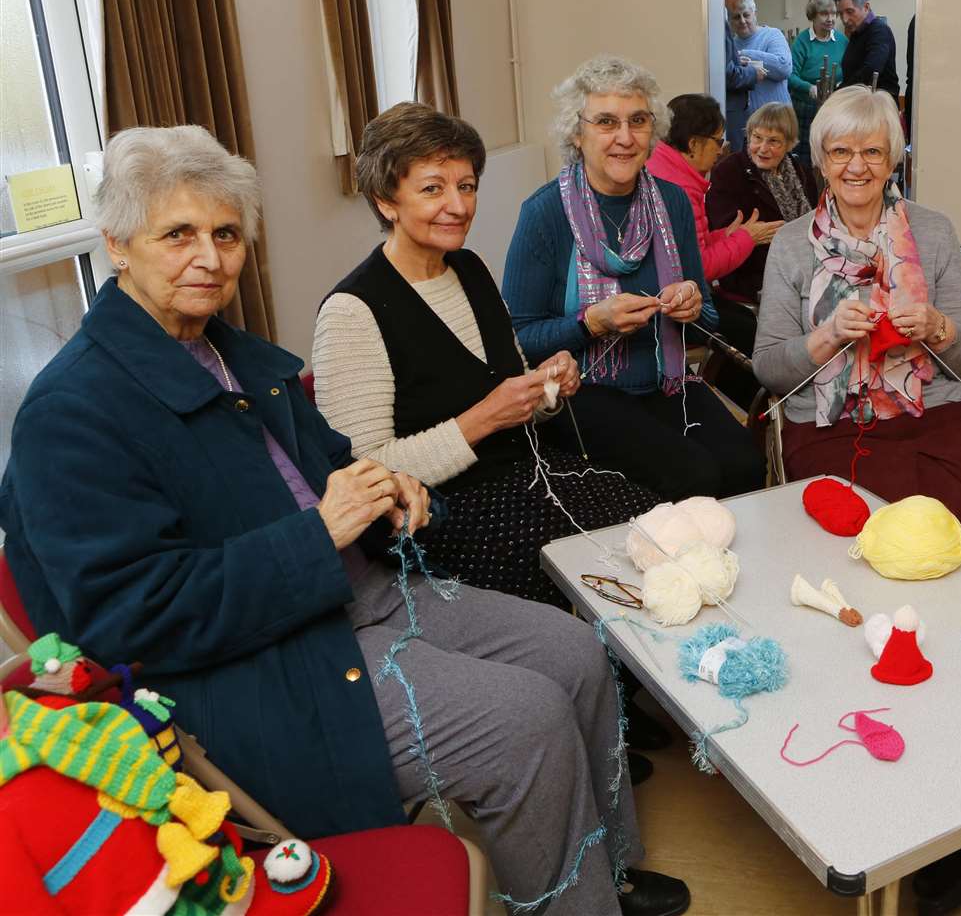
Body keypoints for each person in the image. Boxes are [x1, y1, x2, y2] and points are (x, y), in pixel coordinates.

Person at [0, 125, 690, 916]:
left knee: (574, 646)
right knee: (523, 720)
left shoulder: (229, 353)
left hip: (360, 593)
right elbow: (128, 618)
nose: (210, 257)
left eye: (225, 234)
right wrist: (319, 532)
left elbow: (332, 460)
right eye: (178, 233)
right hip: (258, 668)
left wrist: (387, 483)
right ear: (118, 245)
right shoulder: (72, 413)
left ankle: (609, 875)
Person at [314, 102, 661, 612]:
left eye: (467, 186)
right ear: (386, 200)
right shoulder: (352, 312)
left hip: (530, 476)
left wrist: (545, 387)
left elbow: (511, 383)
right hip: (450, 513)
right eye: (433, 188)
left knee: (653, 529)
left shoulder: (470, 269)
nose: (457, 205)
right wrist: (481, 420)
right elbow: (368, 473)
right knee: (584, 593)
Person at [753, 86, 961, 562]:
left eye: (872, 151)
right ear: (821, 160)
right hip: (831, 421)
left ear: (893, 158)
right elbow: (769, 369)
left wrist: (937, 326)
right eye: (841, 151)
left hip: (935, 411)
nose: (857, 166)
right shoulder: (791, 244)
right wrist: (829, 334)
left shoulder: (933, 230)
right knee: (863, 535)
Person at [503, 55, 766, 501]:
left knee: (745, 463)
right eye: (606, 122)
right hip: (582, 391)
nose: (624, 138)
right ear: (576, 132)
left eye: (638, 121)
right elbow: (517, 342)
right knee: (694, 476)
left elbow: (707, 320)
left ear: (653, 131)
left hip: (667, 381)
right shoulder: (544, 213)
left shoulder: (672, 202)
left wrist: (693, 304)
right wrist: (591, 323)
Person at [646, 93, 779, 407]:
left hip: (682, 293)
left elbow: (691, 249)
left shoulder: (670, 171)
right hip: (671, 307)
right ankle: (762, 415)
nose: (722, 150)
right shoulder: (677, 188)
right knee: (747, 332)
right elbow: (699, 267)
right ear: (693, 144)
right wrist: (748, 238)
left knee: (749, 325)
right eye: (718, 141)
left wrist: (727, 236)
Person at [705, 101, 812, 305]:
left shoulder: (801, 172)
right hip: (751, 277)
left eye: (773, 141)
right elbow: (723, 232)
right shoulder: (730, 171)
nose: (763, 149)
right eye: (757, 138)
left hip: (800, 272)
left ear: (789, 144)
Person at [789, 0, 846, 163]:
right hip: (806, 108)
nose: (830, 19)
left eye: (833, 13)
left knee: (830, 155)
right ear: (813, 15)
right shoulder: (802, 41)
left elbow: (849, 72)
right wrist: (809, 88)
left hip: (833, 108)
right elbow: (790, 76)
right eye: (824, 14)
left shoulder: (843, 41)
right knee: (805, 159)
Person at [834, 0, 901, 100]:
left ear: (866, 7)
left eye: (850, 12)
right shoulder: (857, 32)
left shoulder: (880, 31)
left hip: (879, 108)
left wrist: (839, 93)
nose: (844, 19)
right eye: (840, 14)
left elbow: (870, 70)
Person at [731, 0, 792, 115]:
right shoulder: (731, 44)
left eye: (746, 15)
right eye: (737, 17)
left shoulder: (772, 35)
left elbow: (784, 68)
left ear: (755, 14)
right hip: (745, 123)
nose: (742, 21)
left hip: (777, 119)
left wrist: (744, 55)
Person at [723, 0, 762, 149]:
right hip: (730, 111)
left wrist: (740, 63)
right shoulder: (718, 20)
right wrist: (754, 73)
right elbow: (727, 74)